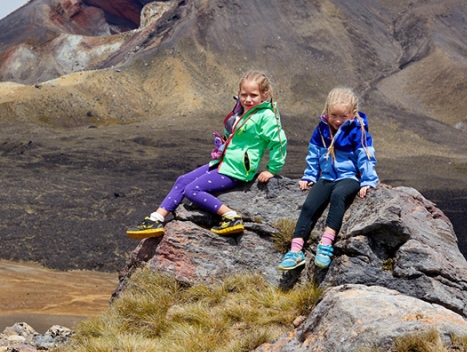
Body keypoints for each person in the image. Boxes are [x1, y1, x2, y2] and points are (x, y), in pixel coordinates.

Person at [126, 70, 287, 238]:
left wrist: (272, 169)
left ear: (264, 94)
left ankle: (231, 216)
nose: (248, 99)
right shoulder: (243, 111)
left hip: (238, 169)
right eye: (243, 94)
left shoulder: (266, 115)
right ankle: (156, 219)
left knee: (192, 190)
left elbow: (279, 141)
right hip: (223, 163)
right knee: (182, 180)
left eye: (253, 95)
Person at [278, 87, 378, 271]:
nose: (338, 121)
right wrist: (309, 175)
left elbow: (365, 157)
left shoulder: (358, 131)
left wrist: (368, 181)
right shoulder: (322, 129)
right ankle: (295, 251)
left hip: (350, 177)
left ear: (353, 114)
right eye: (333, 115)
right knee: (310, 205)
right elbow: (314, 154)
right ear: (326, 112)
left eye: (344, 116)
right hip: (327, 176)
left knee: (338, 196)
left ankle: (325, 245)